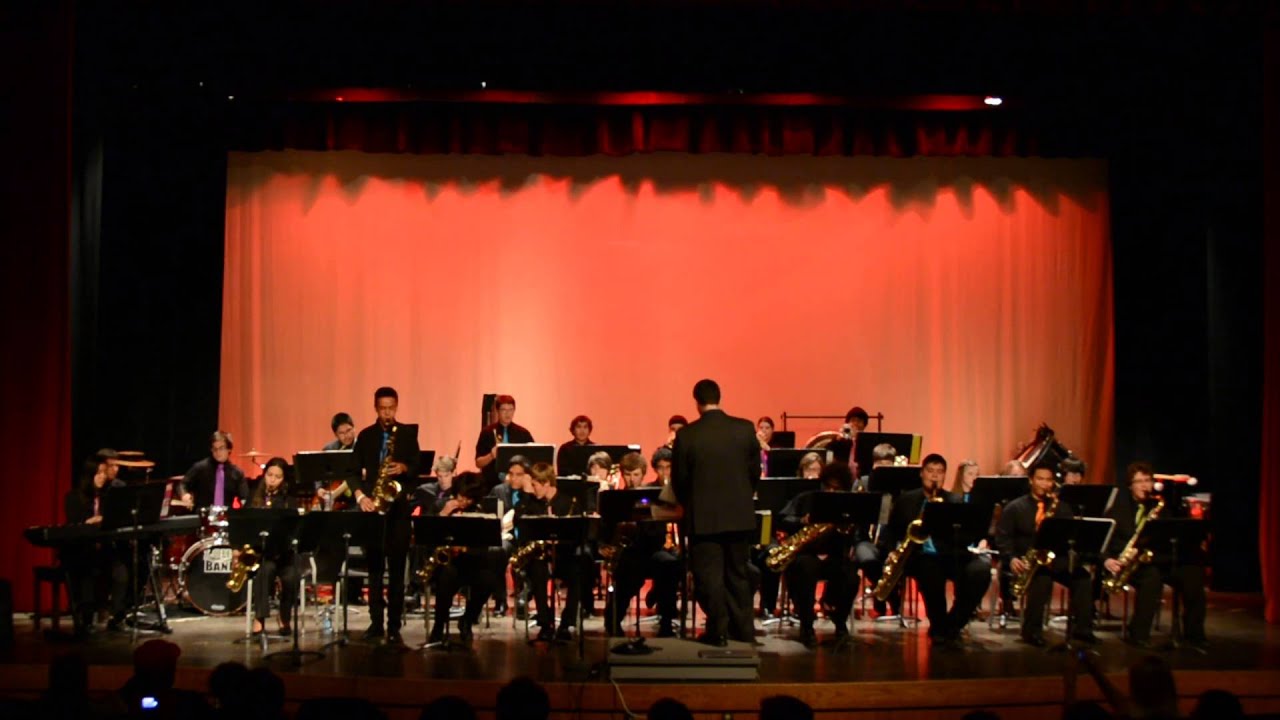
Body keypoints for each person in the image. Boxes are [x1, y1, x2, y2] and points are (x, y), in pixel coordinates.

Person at [672, 379, 761, 646]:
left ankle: (718, 631)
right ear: (719, 397)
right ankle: (743, 632)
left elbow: (680, 480)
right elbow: (754, 473)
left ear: (696, 401)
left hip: (703, 518)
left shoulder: (687, 435)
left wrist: (693, 501)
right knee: (738, 575)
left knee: (709, 577)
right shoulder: (745, 429)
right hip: (739, 516)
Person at [883, 453, 991, 648]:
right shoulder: (907, 500)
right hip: (919, 556)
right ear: (921, 473)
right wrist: (892, 550)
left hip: (951, 553)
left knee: (981, 571)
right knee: (931, 572)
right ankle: (940, 627)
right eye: (930, 471)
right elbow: (890, 532)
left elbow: (969, 533)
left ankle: (953, 624)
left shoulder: (954, 500)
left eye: (940, 472)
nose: (935, 476)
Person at [1105, 462, 1208, 650]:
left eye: (1148, 480)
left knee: (1193, 575)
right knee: (1151, 578)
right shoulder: (1118, 510)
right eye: (1140, 481)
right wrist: (1108, 560)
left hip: (1160, 559)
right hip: (1133, 564)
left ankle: (1194, 635)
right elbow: (1105, 542)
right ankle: (1138, 634)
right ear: (1130, 485)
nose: (1145, 486)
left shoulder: (1161, 508)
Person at [995, 462, 1095, 647]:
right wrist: (1011, 558)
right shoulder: (1015, 507)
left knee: (1082, 577)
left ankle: (1082, 630)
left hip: (1055, 558)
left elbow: (1069, 535)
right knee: (1042, 579)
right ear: (1031, 480)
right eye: (1040, 479)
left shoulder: (1061, 507)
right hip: (1027, 561)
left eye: (1048, 480)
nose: (1044, 484)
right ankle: (1031, 631)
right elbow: (1003, 537)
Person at [352, 387, 421, 644]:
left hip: (398, 512)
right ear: (376, 408)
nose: (387, 413)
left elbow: (416, 467)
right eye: (383, 408)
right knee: (375, 572)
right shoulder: (366, 436)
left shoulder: (406, 435)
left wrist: (403, 467)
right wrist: (361, 496)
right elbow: (351, 471)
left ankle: (394, 625)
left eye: (391, 407)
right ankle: (376, 622)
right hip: (373, 510)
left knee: (396, 570)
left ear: (397, 406)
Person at [778, 463, 859, 647]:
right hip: (806, 554)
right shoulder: (806, 498)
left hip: (835, 556)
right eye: (827, 486)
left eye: (836, 488)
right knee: (806, 568)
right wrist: (801, 521)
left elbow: (858, 534)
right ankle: (807, 626)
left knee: (852, 578)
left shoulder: (849, 505)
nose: (830, 491)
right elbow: (783, 519)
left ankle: (839, 621)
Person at [603, 452, 680, 637]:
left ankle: (667, 622)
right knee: (628, 570)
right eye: (628, 474)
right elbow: (606, 529)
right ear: (622, 474)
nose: (631, 479)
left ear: (643, 474)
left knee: (668, 564)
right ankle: (613, 620)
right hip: (627, 553)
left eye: (636, 474)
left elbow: (659, 532)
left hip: (651, 549)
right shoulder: (614, 498)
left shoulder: (652, 496)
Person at [517, 462, 594, 642]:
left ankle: (566, 624)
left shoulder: (569, 503)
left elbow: (579, 535)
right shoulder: (531, 503)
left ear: (546, 483)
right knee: (537, 571)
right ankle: (545, 624)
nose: (533, 489)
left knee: (576, 573)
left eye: (535, 485)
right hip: (540, 558)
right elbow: (522, 530)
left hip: (563, 555)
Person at [425, 472, 498, 646]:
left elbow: (484, 548)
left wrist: (464, 548)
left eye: (468, 499)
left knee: (489, 581)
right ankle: (438, 626)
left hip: (472, 562)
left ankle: (467, 619)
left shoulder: (482, 512)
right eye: (460, 497)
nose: (463, 502)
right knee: (447, 577)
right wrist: (444, 513)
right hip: (447, 564)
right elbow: (427, 535)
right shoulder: (440, 506)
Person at [62, 454, 128, 636]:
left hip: (104, 548)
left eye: (103, 473)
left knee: (120, 572)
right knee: (88, 572)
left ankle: (117, 617)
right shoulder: (74, 497)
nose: (102, 477)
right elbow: (74, 526)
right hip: (82, 550)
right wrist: (89, 522)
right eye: (98, 473)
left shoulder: (108, 496)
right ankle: (86, 619)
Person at [246, 457, 301, 635]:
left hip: (285, 554)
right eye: (270, 475)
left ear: (284, 479)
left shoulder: (289, 500)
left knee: (292, 577)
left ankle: (284, 616)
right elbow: (244, 525)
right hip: (263, 554)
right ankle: (259, 617)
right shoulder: (254, 495)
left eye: (278, 476)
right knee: (265, 571)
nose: (272, 480)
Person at [476, 394, 535, 491]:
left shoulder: (523, 433)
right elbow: (478, 463)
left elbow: (532, 460)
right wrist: (491, 455)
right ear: (497, 411)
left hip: (518, 485)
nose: (508, 413)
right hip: (491, 484)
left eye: (511, 410)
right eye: (504, 410)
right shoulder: (487, 433)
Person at [178, 431, 249, 510]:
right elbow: (182, 484)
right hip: (202, 516)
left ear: (229, 449)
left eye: (221, 448)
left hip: (226, 518)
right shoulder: (200, 467)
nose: (217, 452)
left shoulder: (237, 473)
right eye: (214, 449)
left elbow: (245, 497)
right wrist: (184, 495)